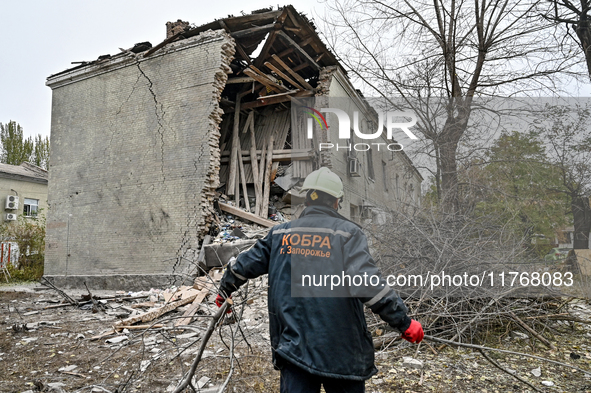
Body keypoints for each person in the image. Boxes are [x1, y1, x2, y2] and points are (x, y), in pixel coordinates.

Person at [216, 167, 423, 393]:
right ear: (336, 202)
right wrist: (403, 322)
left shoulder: (280, 234)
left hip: (293, 351)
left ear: (307, 200)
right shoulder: (348, 234)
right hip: (342, 352)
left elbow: (242, 265)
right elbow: (367, 283)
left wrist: (224, 292)